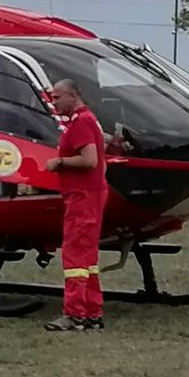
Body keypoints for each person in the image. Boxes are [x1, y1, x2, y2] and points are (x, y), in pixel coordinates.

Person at [43, 77, 109, 332]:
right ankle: (92, 312)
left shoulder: (81, 122)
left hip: (82, 197)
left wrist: (60, 162)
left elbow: (90, 160)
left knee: (75, 256)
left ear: (73, 95)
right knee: (88, 257)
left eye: (57, 97)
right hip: (90, 195)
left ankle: (74, 314)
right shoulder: (88, 120)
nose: (54, 102)